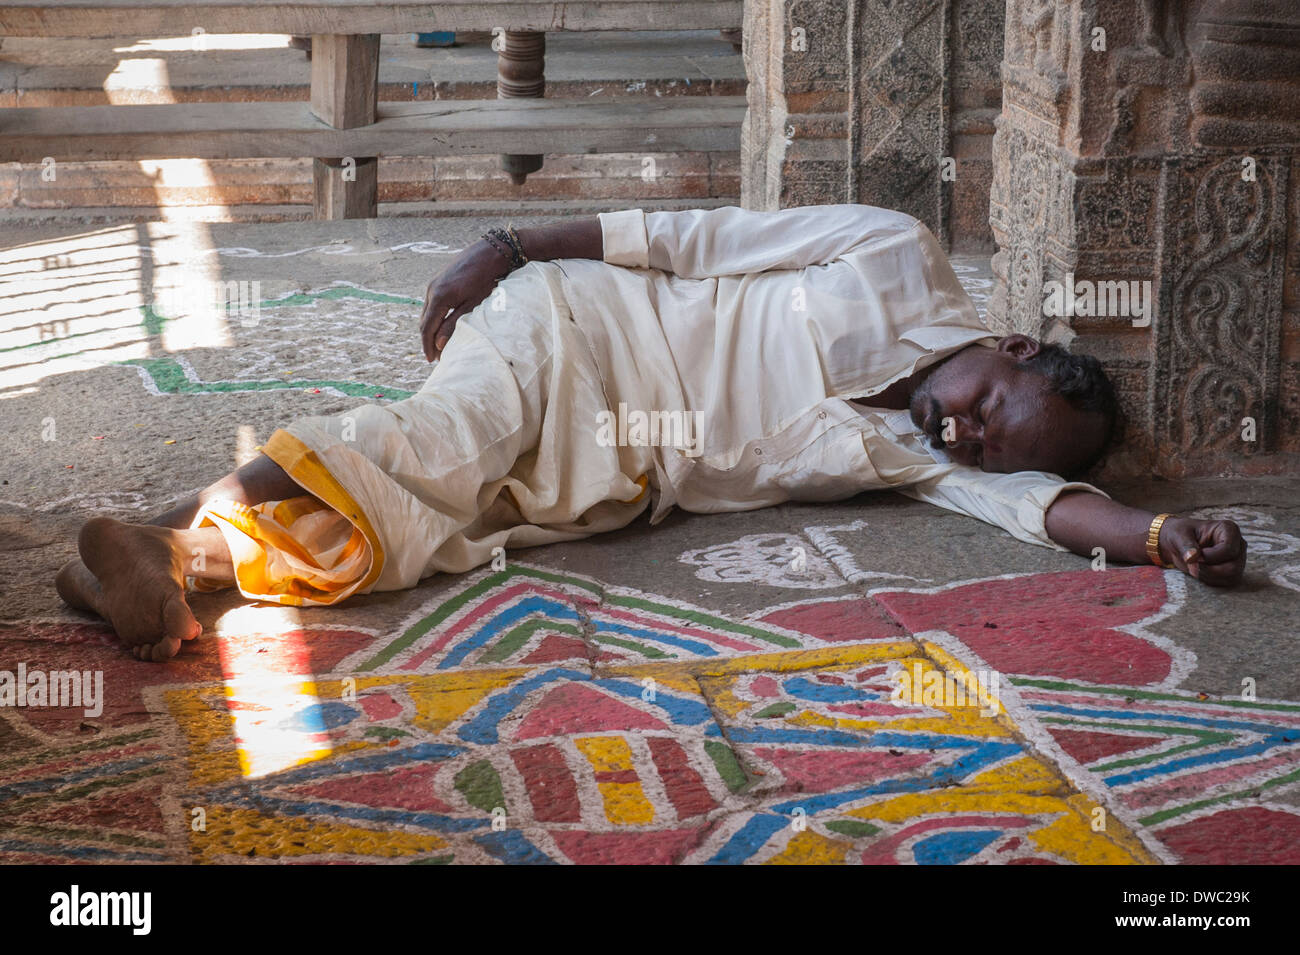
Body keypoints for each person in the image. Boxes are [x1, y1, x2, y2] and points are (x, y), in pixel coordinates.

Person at [54, 204, 1248, 661]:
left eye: (986, 442)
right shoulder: (894, 255)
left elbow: (1040, 511)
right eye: (987, 406)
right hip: (579, 329)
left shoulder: (919, 457)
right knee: (440, 440)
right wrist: (511, 245)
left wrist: (1157, 534)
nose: (964, 430)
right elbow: (690, 235)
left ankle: (176, 559)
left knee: (435, 530)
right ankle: (166, 539)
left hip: (611, 471)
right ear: (1015, 345)